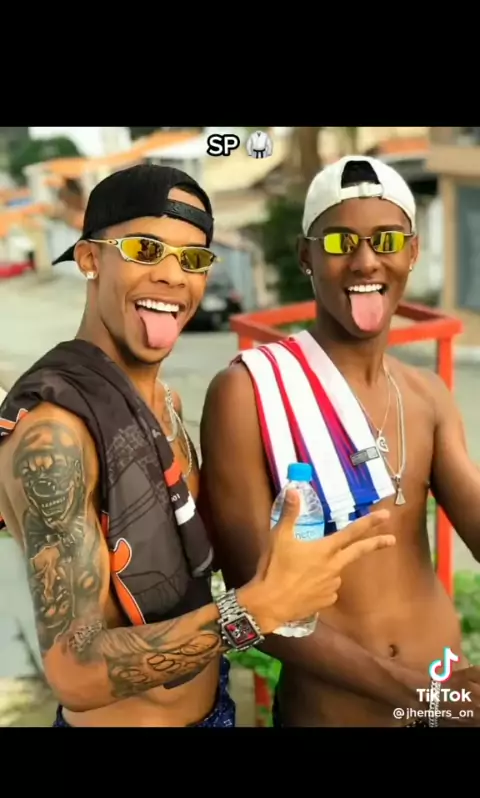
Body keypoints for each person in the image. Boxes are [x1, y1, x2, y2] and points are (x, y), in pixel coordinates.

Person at [0, 163, 396, 729]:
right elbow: (75, 670)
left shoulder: (167, 404)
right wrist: (257, 609)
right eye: (145, 250)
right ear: (89, 258)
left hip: (214, 710)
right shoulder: (56, 434)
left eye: (192, 259)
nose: (171, 276)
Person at [199, 154, 480, 728]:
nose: (365, 260)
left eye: (387, 240)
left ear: (413, 251)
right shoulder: (249, 391)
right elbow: (258, 604)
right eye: (339, 243)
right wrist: (422, 698)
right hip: (343, 714)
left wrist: (440, 702)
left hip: (448, 694)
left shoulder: (426, 394)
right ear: (305, 255)